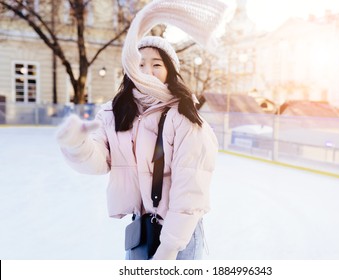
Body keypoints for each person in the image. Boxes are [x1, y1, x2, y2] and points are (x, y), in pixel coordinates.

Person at [56, 35, 219, 260]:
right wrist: (77, 145)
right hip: (143, 230)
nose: (147, 70)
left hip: (181, 233)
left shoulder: (184, 117)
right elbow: (100, 160)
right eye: (140, 64)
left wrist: (169, 247)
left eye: (156, 64)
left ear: (170, 71)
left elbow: (191, 186)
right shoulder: (116, 113)